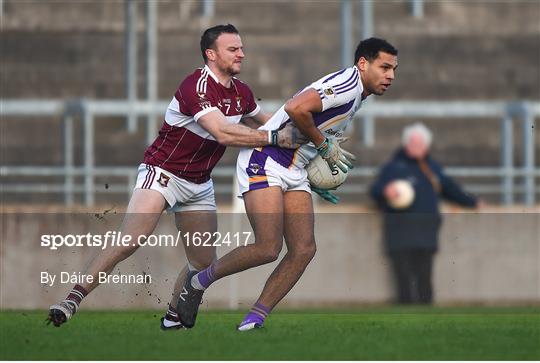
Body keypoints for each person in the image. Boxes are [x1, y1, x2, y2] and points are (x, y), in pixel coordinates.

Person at [46, 24, 305, 328]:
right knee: (131, 240)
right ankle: (71, 300)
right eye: (233, 49)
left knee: (203, 262)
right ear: (211, 54)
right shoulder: (196, 86)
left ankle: (172, 316)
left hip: (199, 185)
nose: (241, 54)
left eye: (242, 48)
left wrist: (315, 134)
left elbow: (274, 122)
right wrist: (275, 138)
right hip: (162, 173)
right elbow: (223, 132)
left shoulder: (242, 93)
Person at [176, 37, 399, 330]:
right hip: (264, 160)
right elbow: (296, 108)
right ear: (362, 64)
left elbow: (309, 127)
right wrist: (323, 145)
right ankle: (198, 282)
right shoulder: (347, 84)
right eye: (384, 67)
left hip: (293, 168)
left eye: (394, 69)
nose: (390, 76)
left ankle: (254, 320)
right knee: (268, 247)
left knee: (304, 249)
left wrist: (314, 165)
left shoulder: (356, 93)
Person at [370, 122, 482, 304]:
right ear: (406, 145)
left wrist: (473, 202)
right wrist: (385, 191)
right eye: (413, 144)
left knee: (425, 275)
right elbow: (375, 190)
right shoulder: (393, 168)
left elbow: (451, 189)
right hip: (400, 233)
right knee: (403, 278)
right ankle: (404, 315)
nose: (417, 148)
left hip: (426, 232)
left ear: (426, 145)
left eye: (420, 144)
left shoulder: (433, 169)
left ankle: (426, 315)